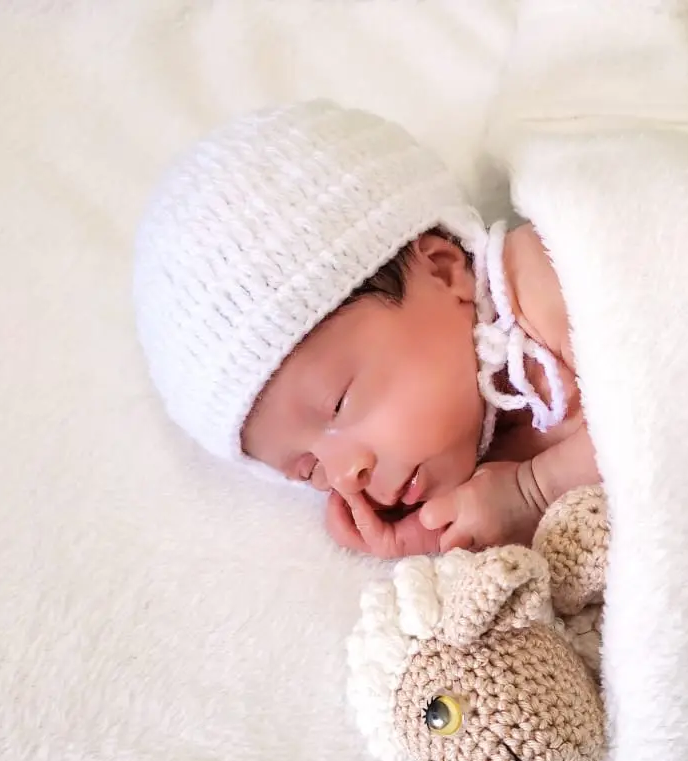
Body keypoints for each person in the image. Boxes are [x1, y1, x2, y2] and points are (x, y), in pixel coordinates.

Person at [133, 100, 599, 558]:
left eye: (339, 404)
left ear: (443, 271)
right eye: (311, 470)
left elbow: (643, 412)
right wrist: (439, 532)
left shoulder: (546, 277)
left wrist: (533, 491)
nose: (346, 475)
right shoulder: (484, 446)